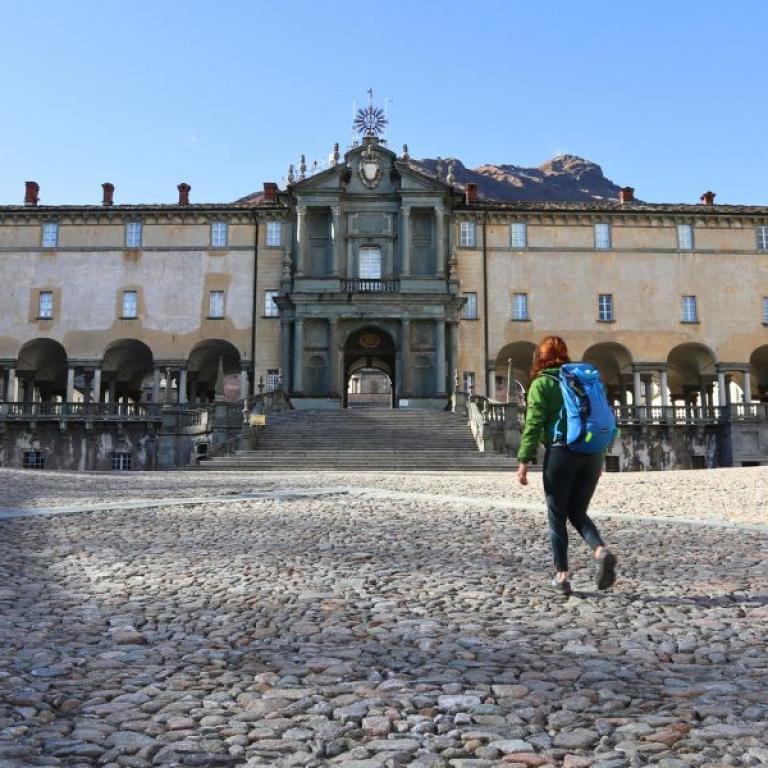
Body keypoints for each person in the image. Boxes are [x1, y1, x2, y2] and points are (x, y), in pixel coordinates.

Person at [516, 336, 617, 595]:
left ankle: (562, 576)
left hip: (562, 452)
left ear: (540, 357)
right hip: (593, 452)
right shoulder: (584, 379)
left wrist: (524, 461)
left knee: (557, 515)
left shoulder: (542, 384)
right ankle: (599, 550)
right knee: (578, 512)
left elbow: (534, 424)